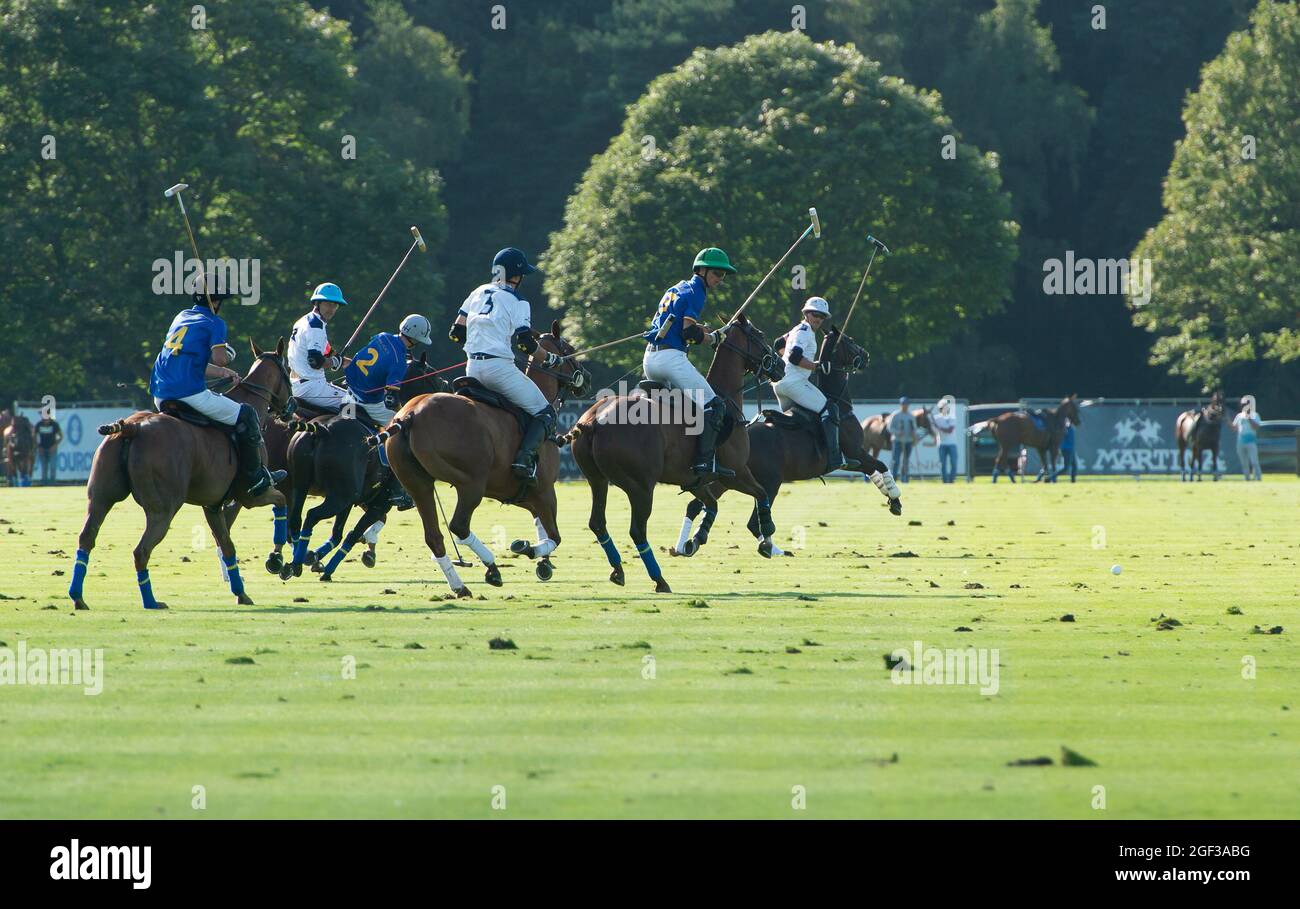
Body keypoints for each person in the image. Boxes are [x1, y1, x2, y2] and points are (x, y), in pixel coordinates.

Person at [149, 278, 285, 496]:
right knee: (247, 414)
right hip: (189, 394)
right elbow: (220, 358)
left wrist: (222, 373)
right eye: (220, 299)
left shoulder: (181, 317)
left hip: (160, 394)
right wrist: (228, 355)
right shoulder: (214, 322)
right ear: (215, 302)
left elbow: (193, 361)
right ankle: (256, 477)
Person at [449, 247, 558, 481]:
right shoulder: (518, 300)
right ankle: (523, 460)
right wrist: (550, 359)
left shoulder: (477, 292)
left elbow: (456, 332)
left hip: (472, 368)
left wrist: (480, 342)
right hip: (498, 370)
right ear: (515, 275)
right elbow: (527, 345)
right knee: (546, 413)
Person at [642, 248, 736, 478]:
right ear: (701, 270)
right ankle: (705, 463)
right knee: (714, 406)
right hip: (670, 359)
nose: (719, 279)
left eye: (723, 275)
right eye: (716, 273)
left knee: (686, 408)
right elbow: (688, 334)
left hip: (650, 358)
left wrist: (699, 331)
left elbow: (680, 326)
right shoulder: (697, 291)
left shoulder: (676, 288)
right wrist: (712, 338)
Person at [343, 315, 431, 509]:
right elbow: (390, 397)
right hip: (368, 404)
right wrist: (400, 408)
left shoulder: (382, 337)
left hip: (347, 397)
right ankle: (398, 489)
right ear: (415, 339)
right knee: (402, 429)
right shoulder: (399, 361)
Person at [770, 297, 859, 474]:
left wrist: (785, 360)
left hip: (780, 384)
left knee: (803, 420)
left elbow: (778, 344)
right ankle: (835, 459)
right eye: (815, 314)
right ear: (806, 314)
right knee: (830, 409)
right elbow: (795, 357)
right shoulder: (805, 332)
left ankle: (802, 457)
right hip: (794, 383)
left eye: (822, 316)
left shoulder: (796, 329)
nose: (818, 319)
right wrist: (816, 366)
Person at [288, 282, 349, 411]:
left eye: (335, 305)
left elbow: (327, 351)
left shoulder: (305, 320)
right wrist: (334, 362)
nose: (331, 309)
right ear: (317, 303)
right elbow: (316, 361)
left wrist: (350, 362)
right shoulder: (316, 326)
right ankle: (344, 430)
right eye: (328, 304)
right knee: (352, 401)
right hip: (311, 387)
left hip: (296, 384)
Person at [1232, 395, 1262, 481]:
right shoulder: (1239, 416)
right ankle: (1247, 478)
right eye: (1243, 405)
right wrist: (1227, 420)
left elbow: (1256, 427)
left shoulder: (1255, 415)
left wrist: (1249, 418)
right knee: (1244, 462)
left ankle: (1258, 477)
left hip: (1251, 441)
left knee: (1254, 461)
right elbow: (1234, 428)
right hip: (1240, 442)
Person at [888, 397, 917, 482]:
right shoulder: (895, 415)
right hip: (897, 441)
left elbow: (914, 428)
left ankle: (905, 479)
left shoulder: (911, 416)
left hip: (908, 441)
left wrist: (914, 434)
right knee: (896, 460)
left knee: (906, 461)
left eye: (906, 404)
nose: (905, 406)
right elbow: (889, 428)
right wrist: (897, 432)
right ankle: (893, 478)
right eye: (903, 404)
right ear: (900, 405)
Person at [931, 396, 958, 483]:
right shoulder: (936, 418)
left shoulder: (952, 417)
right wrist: (936, 427)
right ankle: (945, 481)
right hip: (941, 444)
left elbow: (950, 430)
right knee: (942, 464)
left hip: (952, 443)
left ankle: (951, 480)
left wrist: (939, 427)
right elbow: (933, 430)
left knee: (954, 463)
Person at [34, 412, 62, 485]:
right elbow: (34, 436)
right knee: (44, 467)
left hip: (52, 449)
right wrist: (38, 446)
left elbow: (61, 436)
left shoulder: (54, 425)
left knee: (53, 466)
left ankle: (52, 482)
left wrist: (55, 445)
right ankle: (44, 482)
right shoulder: (39, 425)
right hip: (42, 449)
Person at [1059, 418, 1078, 482]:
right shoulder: (1064, 428)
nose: (1068, 421)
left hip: (1071, 449)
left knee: (1074, 466)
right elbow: (1064, 432)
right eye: (1066, 421)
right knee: (1065, 468)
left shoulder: (1071, 427)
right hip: (1066, 449)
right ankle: (1050, 478)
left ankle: (1073, 481)